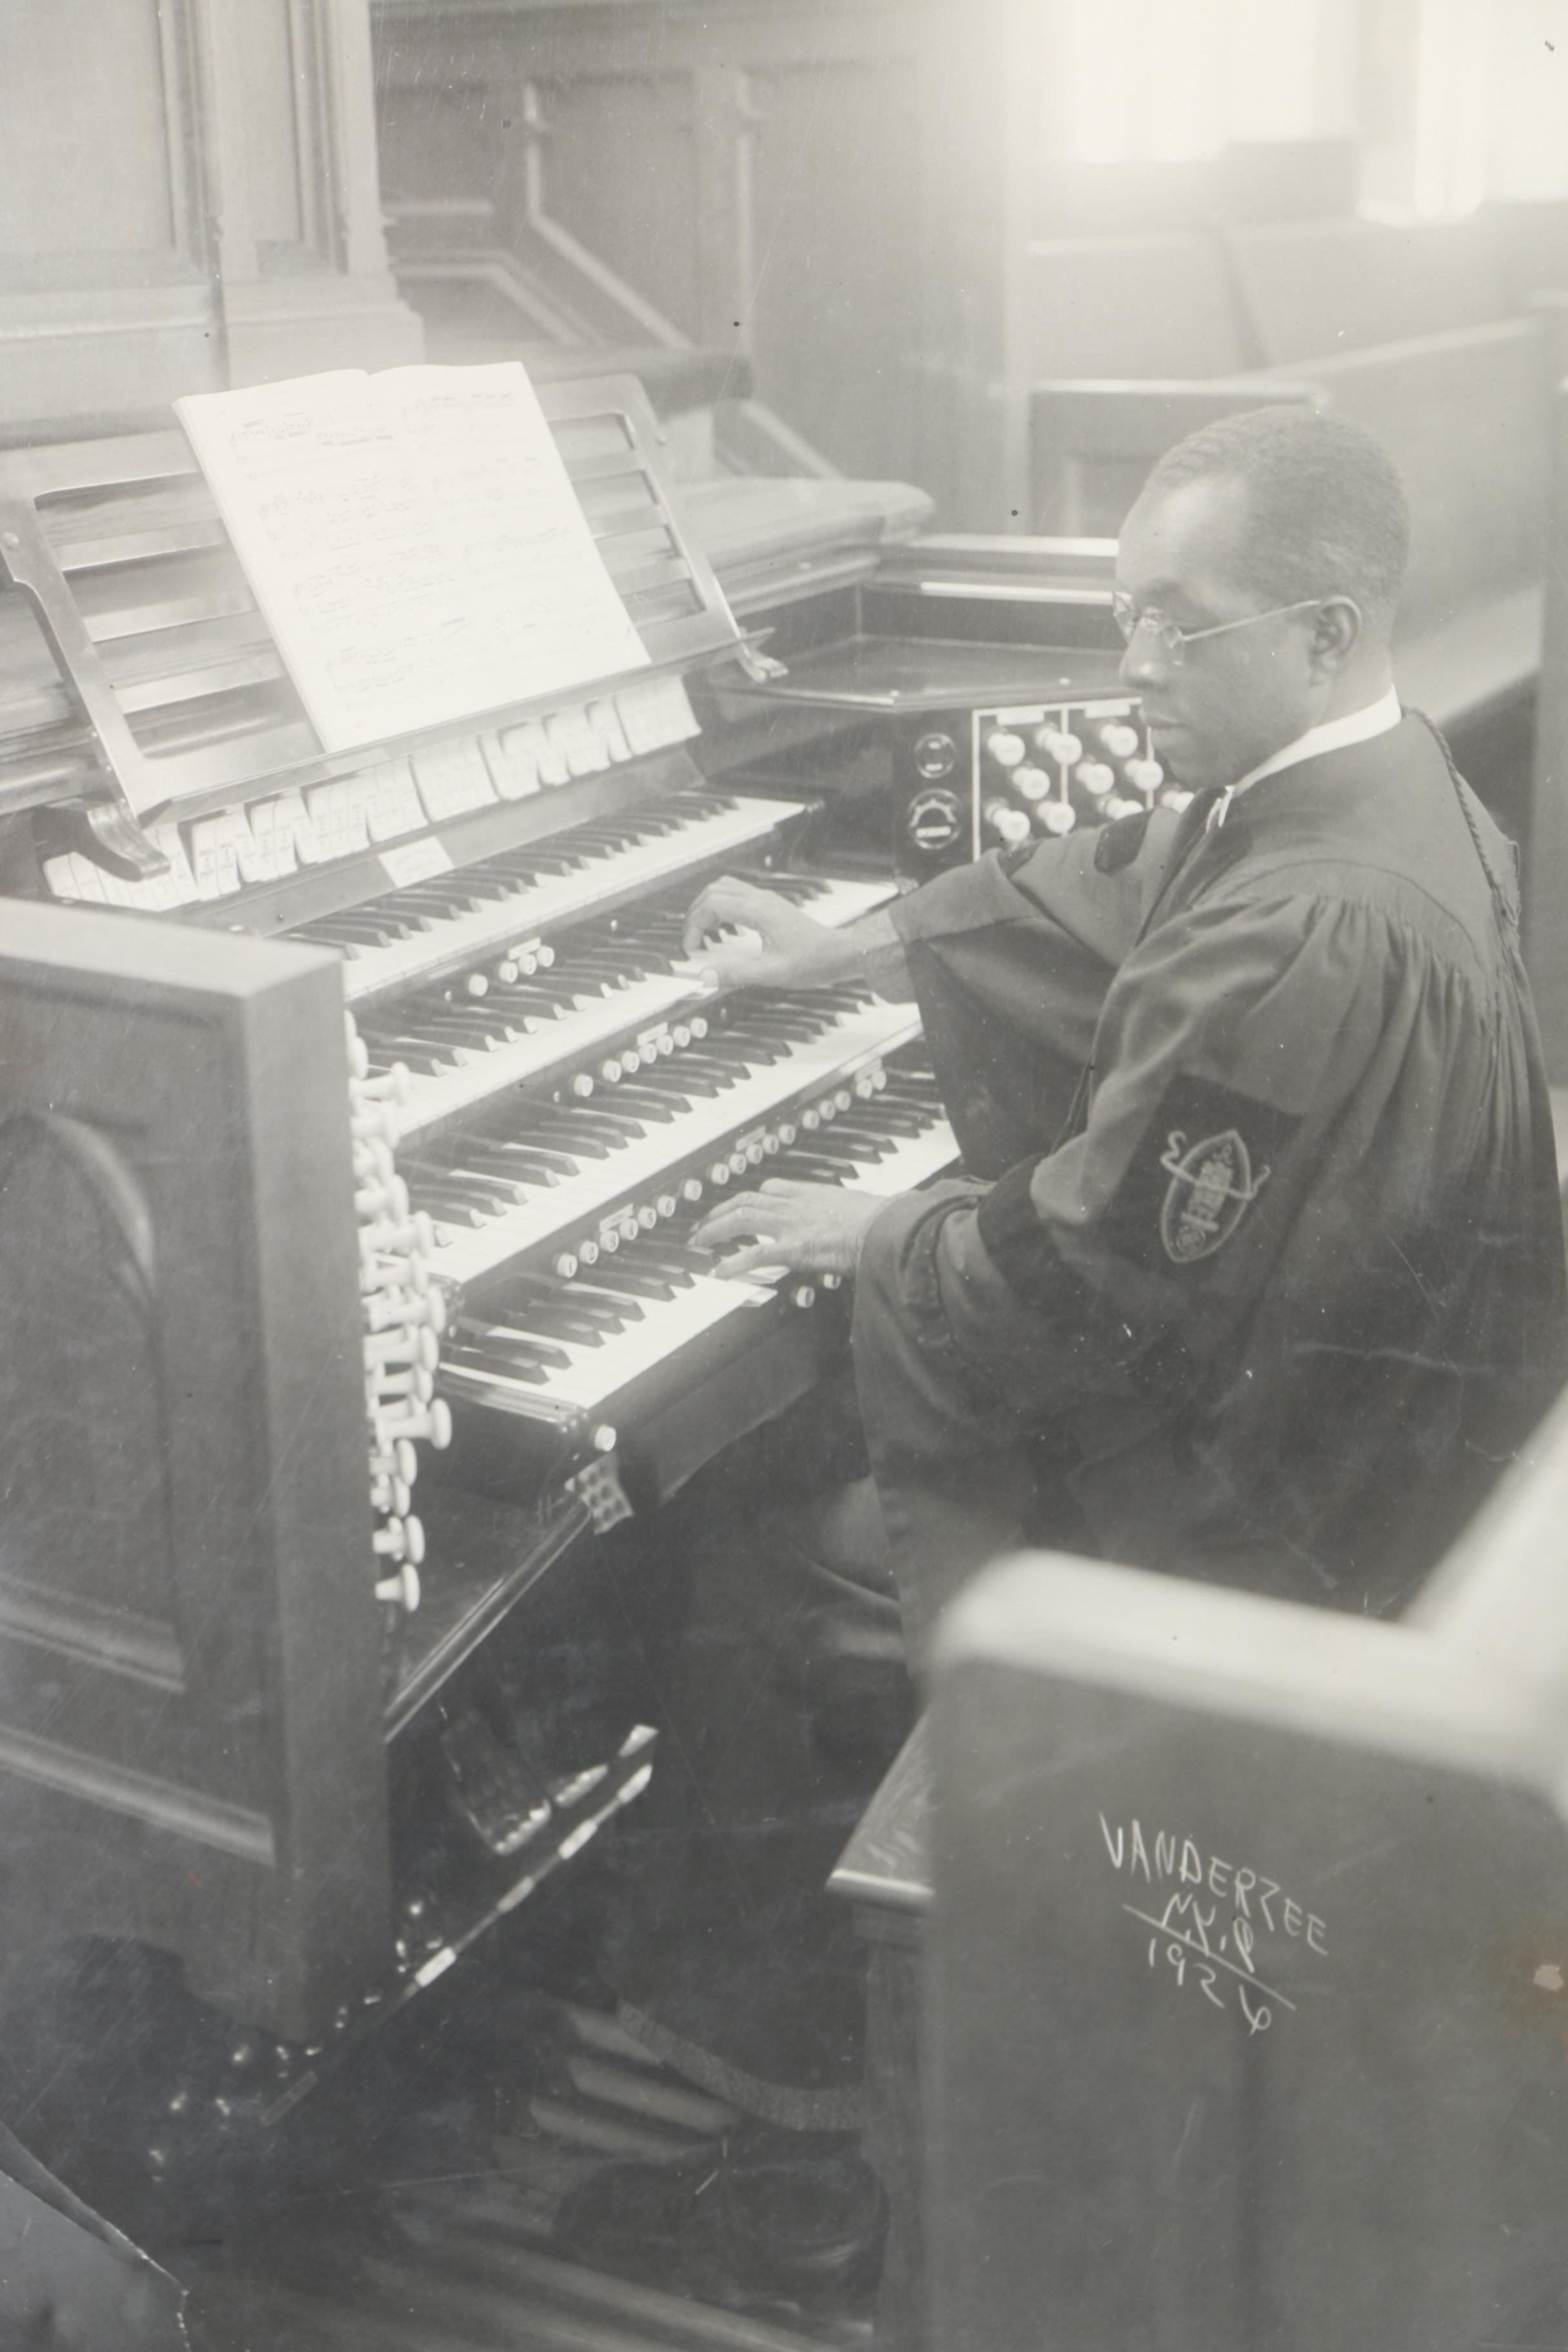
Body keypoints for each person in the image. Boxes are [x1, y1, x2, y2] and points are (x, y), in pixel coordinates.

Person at [596, 406, 1568, 2178]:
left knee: (739, 1509)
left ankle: (769, 2031)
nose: (1128, 669)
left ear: (1324, 635)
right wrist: (854, 946)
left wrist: (869, 1238)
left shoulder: (1310, 929)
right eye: (1122, 615)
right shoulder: (1370, 779)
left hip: (1279, 1518)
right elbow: (1121, 888)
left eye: (1170, 627)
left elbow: (1085, 1282)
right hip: (1381, 1422)